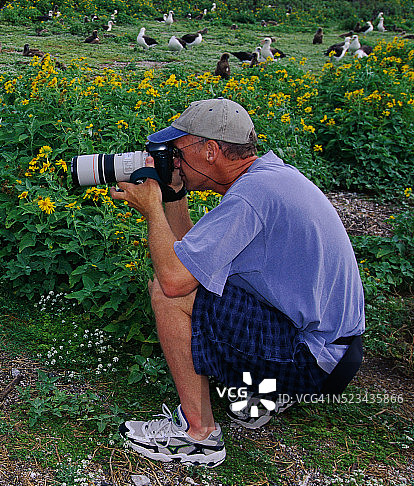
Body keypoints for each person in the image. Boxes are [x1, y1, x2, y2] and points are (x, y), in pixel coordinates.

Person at [111, 98, 365, 467]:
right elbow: (193, 260)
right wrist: (173, 195)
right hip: (335, 348)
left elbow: (174, 282)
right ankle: (265, 391)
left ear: (210, 150)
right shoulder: (268, 177)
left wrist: (151, 208)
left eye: (177, 152)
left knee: (166, 296)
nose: (172, 161)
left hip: (315, 358)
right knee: (192, 286)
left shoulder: (249, 199)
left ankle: (198, 436)